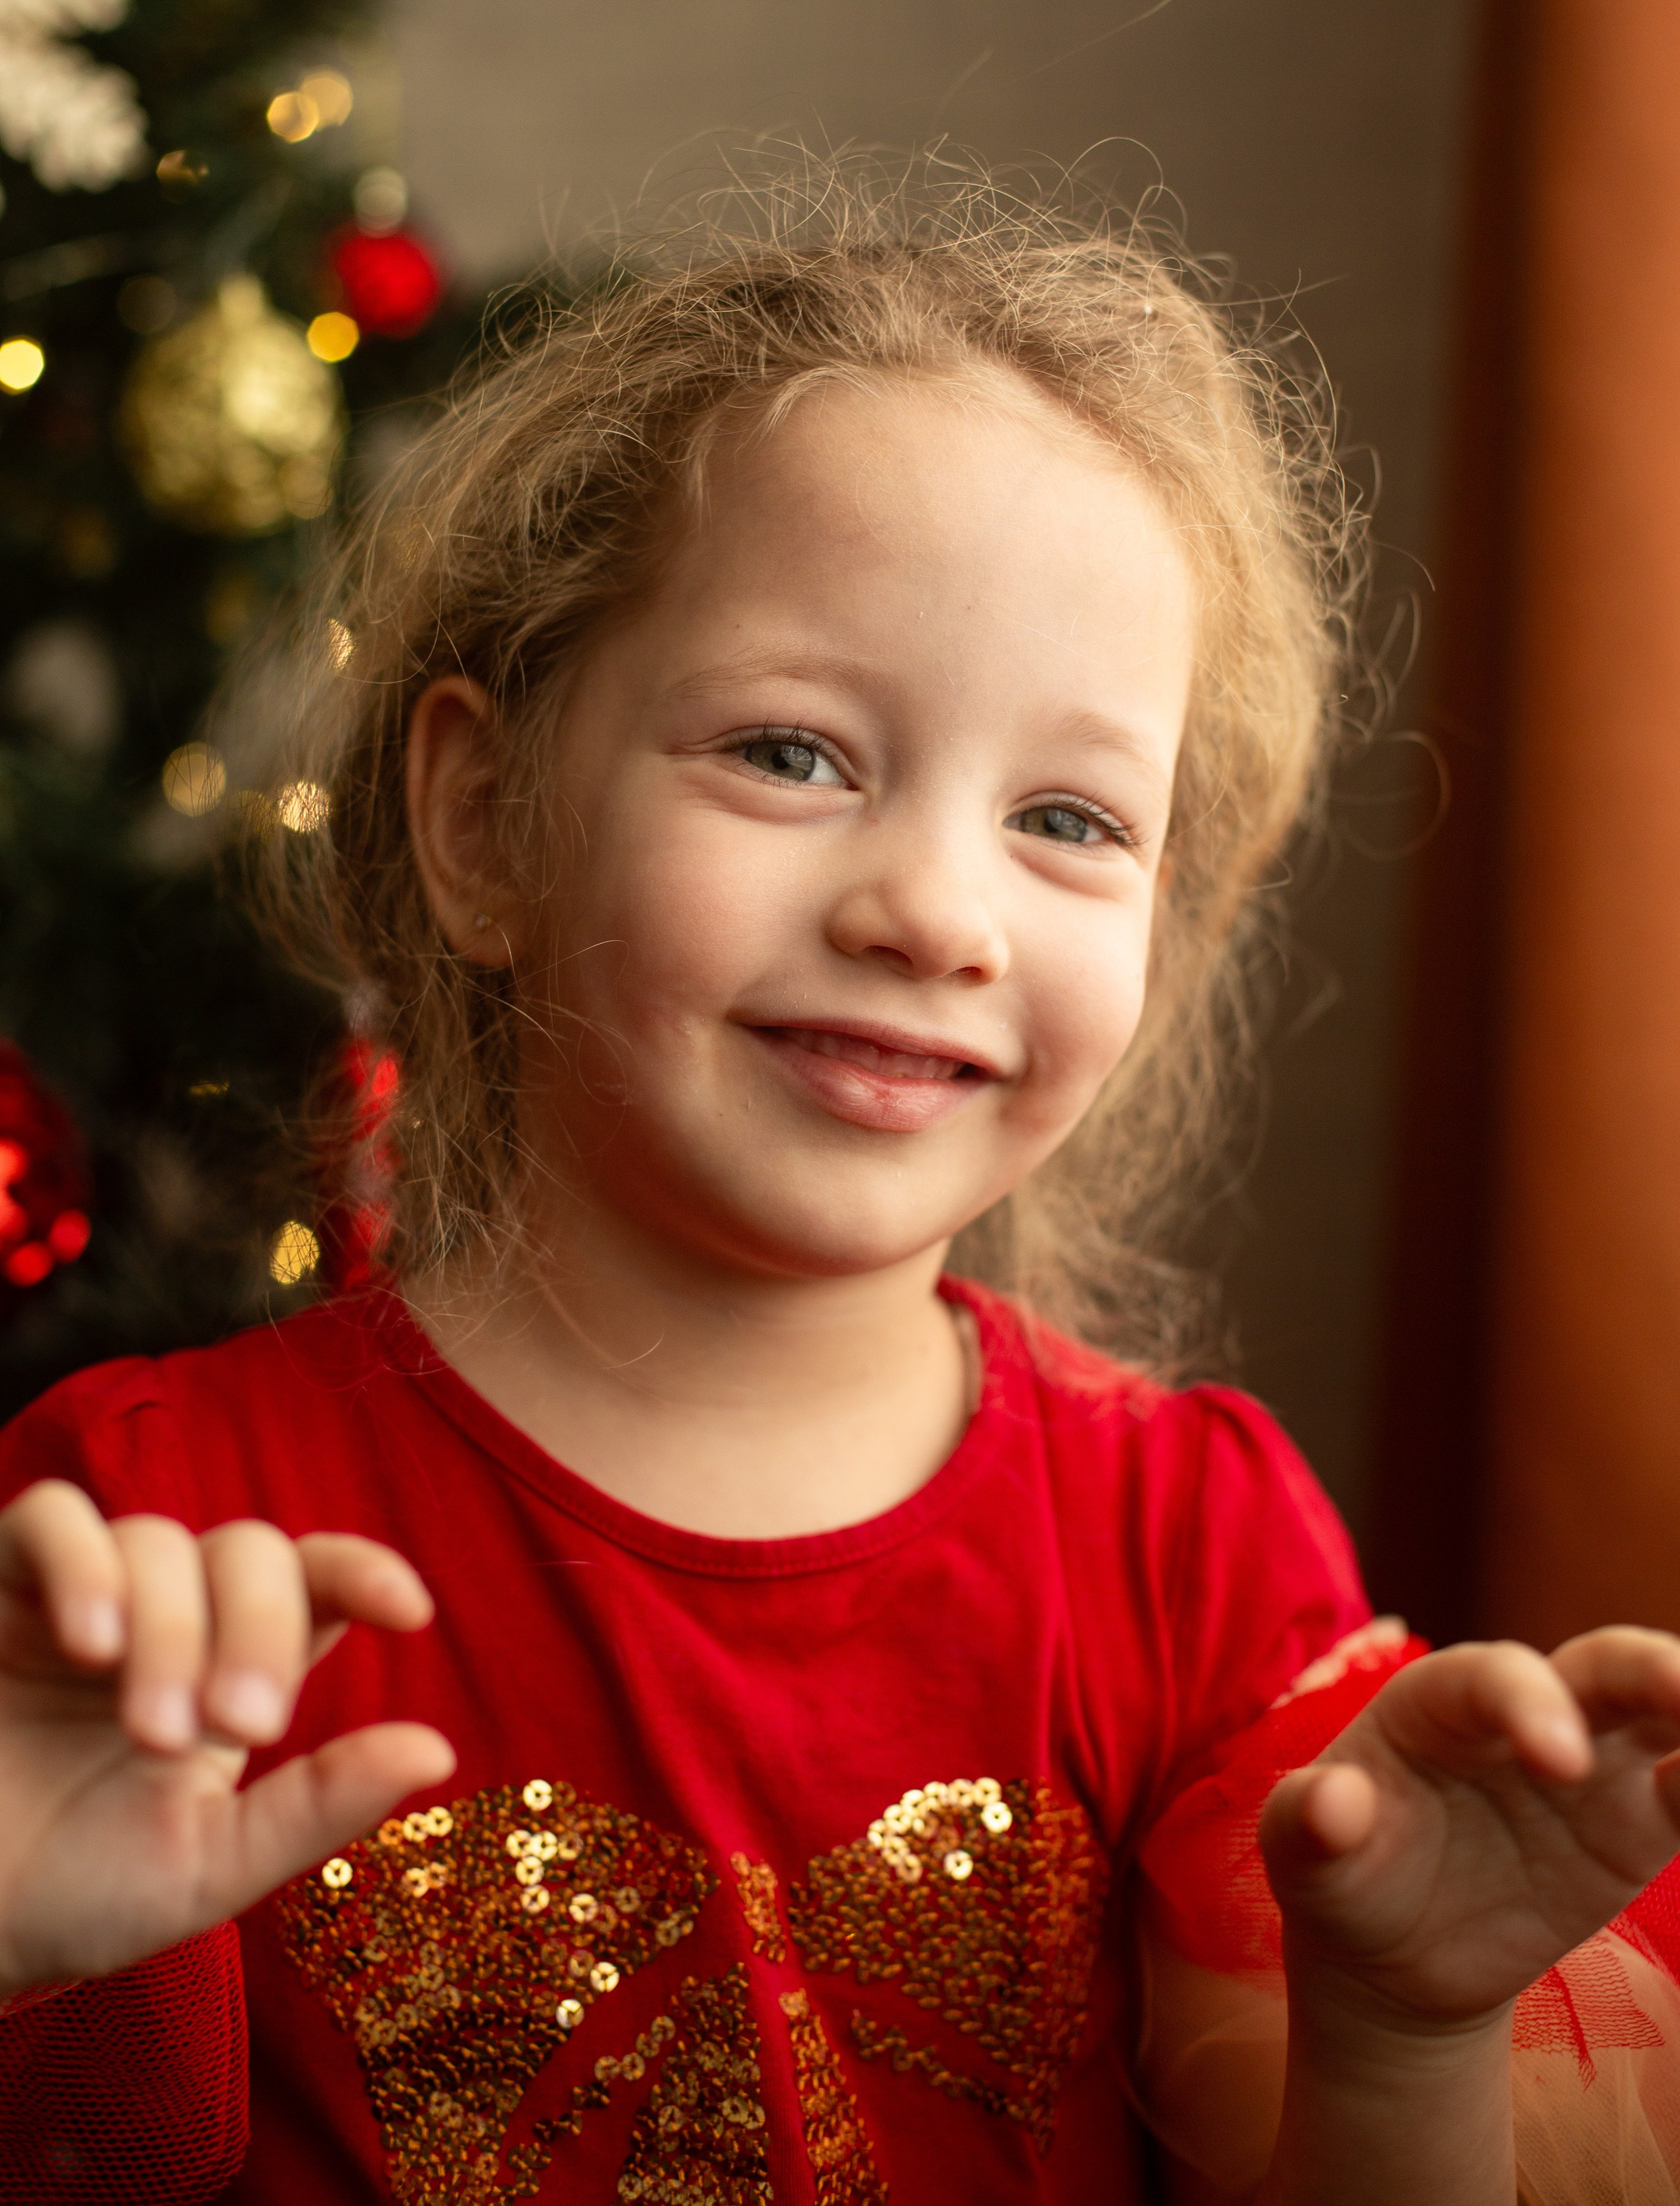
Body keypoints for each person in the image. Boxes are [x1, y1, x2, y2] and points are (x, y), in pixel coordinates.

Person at [1, 161, 1678, 2206]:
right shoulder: (143, 1542)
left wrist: (1405, 2029)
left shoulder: (1194, 1553)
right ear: (482, 819)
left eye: (1069, 817)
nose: (935, 911)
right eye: (793, 755)